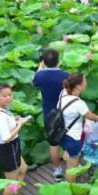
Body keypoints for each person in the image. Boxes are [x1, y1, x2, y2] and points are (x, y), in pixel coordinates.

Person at [32, 49, 70, 181]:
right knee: (68, 140)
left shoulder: (40, 76)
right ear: (58, 60)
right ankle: (72, 167)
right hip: (65, 111)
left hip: (49, 114)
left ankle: (58, 171)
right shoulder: (66, 75)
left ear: (44, 61)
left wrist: (40, 67)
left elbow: (34, 82)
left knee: (54, 144)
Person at [0, 83, 29, 195]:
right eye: (4, 96)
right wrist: (20, 125)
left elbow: (5, 122)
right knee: (11, 182)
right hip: (7, 149)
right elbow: (6, 138)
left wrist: (14, 119)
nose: (8, 98)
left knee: (23, 168)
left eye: (10, 95)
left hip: (13, 146)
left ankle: (17, 193)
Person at [57, 74, 98, 181]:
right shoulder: (79, 103)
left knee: (70, 157)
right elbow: (90, 115)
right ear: (77, 87)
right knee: (72, 169)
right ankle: (72, 190)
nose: (86, 83)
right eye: (84, 82)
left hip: (62, 133)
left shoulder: (63, 94)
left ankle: (69, 159)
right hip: (73, 137)